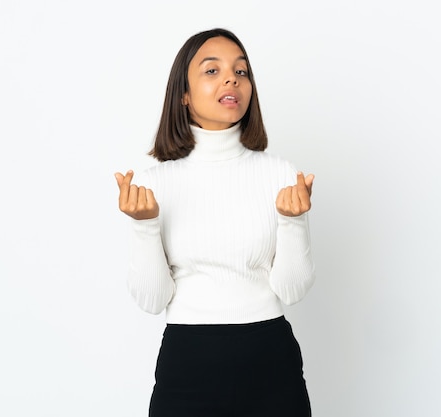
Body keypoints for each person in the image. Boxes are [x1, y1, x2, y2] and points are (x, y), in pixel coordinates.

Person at [114, 27, 316, 417]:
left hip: (270, 359)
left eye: (241, 72)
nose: (231, 79)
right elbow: (152, 300)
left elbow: (292, 290)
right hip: (187, 362)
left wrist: (293, 223)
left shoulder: (280, 175)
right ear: (184, 95)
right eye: (212, 70)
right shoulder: (153, 183)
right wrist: (145, 226)